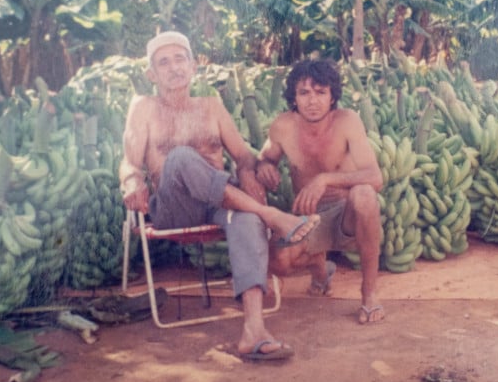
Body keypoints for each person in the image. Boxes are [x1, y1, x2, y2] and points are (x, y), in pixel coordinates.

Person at [120, 31, 320, 360]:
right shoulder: (143, 108)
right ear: (151, 74)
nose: (173, 68)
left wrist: (251, 171)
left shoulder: (211, 106)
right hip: (174, 208)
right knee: (182, 157)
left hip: (218, 205)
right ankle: (271, 216)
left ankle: (253, 331)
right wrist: (131, 182)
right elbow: (128, 161)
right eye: (163, 62)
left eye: (180, 59)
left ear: (194, 66)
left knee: (245, 219)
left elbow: (243, 155)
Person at [255, 59, 386, 324]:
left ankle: (369, 294)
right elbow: (265, 157)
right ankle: (320, 270)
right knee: (277, 262)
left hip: (346, 214)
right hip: (309, 219)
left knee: (365, 195)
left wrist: (325, 179)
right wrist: (265, 166)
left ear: (332, 95)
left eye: (320, 92)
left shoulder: (348, 121)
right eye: (304, 93)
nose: (312, 100)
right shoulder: (283, 127)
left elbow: (375, 177)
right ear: (294, 96)